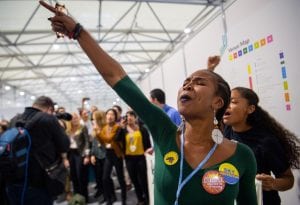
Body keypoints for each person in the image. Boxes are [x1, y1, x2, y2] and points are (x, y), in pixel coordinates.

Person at [40, 2, 258, 204]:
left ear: (218, 102)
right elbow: (116, 77)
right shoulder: (164, 132)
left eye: (198, 82)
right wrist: (78, 32)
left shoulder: (242, 155)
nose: (188, 85)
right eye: (186, 82)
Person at [223, 87, 300, 205]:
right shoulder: (225, 131)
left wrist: (272, 183)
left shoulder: (266, 142)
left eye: (233, 102)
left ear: (250, 109)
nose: (226, 105)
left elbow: (288, 180)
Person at [6, 95, 70, 205]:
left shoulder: (14, 120)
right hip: (40, 181)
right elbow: (64, 145)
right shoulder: (49, 119)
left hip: (14, 180)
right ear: (50, 109)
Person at [117, 110, 152, 205]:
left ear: (135, 117)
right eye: (127, 116)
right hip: (129, 159)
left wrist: (149, 151)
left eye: (131, 115)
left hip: (141, 158)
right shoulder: (123, 130)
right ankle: (140, 199)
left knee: (143, 180)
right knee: (134, 180)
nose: (129, 118)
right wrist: (120, 128)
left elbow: (148, 143)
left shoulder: (142, 129)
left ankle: (148, 199)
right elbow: (117, 139)